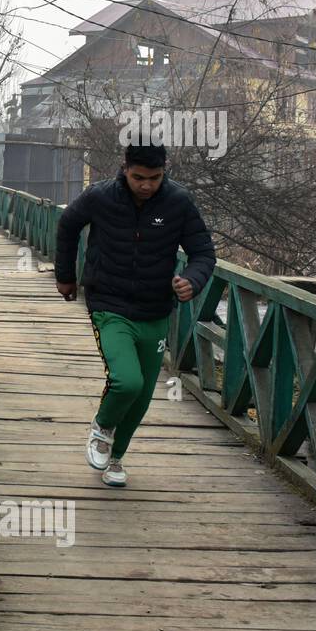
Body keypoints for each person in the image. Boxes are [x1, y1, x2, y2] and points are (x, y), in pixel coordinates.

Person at [53, 136, 216, 487]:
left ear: (164, 173)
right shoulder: (100, 196)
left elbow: (204, 253)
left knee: (141, 396)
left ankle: (115, 458)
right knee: (128, 381)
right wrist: (65, 276)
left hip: (155, 309)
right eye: (138, 177)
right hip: (108, 305)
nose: (146, 185)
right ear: (124, 169)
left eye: (154, 178)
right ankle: (102, 427)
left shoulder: (179, 202)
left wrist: (192, 279)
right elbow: (67, 225)